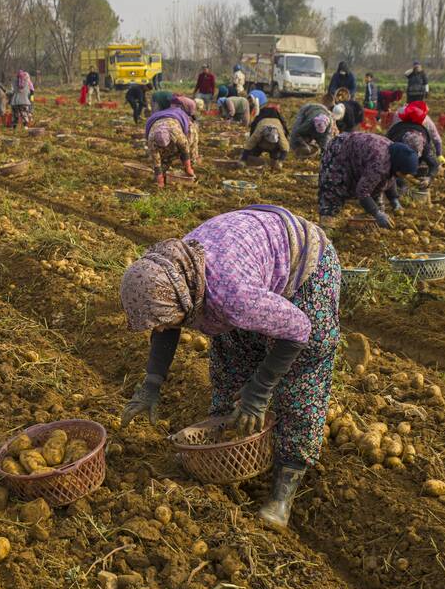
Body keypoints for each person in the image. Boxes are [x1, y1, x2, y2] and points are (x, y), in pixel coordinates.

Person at [119, 205, 340, 529]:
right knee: (232, 353)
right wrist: (150, 384)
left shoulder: (231, 295)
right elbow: (166, 324)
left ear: (182, 297)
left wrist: (259, 391)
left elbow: (299, 331)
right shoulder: (176, 271)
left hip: (306, 265)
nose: (166, 324)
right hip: (248, 270)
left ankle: (284, 488)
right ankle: (231, 445)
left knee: (300, 376)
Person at [317, 133, 419, 230]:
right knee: (334, 186)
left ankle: (368, 221)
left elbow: (390, 177)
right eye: (404, 173)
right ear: (399, 166)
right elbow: (362, 192)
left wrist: (394, 200)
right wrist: (377, 213)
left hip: (359, 153)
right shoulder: (379, 163)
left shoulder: (395, 154)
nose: (405, 177)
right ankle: (327, 226)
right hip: (339, 151)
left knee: (376, 189)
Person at [386, 101, 441, 187]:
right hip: (396, 158)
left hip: (418, 159)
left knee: (423, 170)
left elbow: (434, 164)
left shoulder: (424, 146)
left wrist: (429, 178)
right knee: (395, 180)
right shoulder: (393, 144)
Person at [144, 104, 197, 187]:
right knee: (162, 156)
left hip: (178, 117)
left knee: (191, 143)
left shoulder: (176, 133)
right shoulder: (151, 139)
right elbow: (155, 161)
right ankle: (166, 166)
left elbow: (185, 148)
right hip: (157, 120)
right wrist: (159, 178)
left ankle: (192, 166)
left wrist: (188, 167)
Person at [242, 104, 290, 169]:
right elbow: (249, 145)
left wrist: (280, 161)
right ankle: (254, 159)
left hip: (274, 147)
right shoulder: (259, 132)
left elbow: (285, 148)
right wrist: (243, 160)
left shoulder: (280, 133)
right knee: (252, 155)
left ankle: (274, 161)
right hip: (260, 142)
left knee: (275, 157)